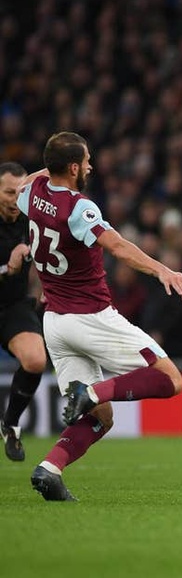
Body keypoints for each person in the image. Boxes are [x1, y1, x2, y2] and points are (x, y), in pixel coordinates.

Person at [19, 132, 182, 501]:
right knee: (170, 380)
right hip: (91, 317)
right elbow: (117, 246)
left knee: (101, 417)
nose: (92, 166)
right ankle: (91, 391)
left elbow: (27, 181)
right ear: (74, 167)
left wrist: (49, 168)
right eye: (87, 160)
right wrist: (163, 270)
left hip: (55, 324)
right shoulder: (80, 207)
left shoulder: (30, 194)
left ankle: (49, 469)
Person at [0, 162, 47, 462]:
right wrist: (8, 266)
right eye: (7, 192)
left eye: (20, 192)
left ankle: (11, 424)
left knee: (35, 360)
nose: (14, 199)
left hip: (13, 306)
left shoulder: (31, 215)